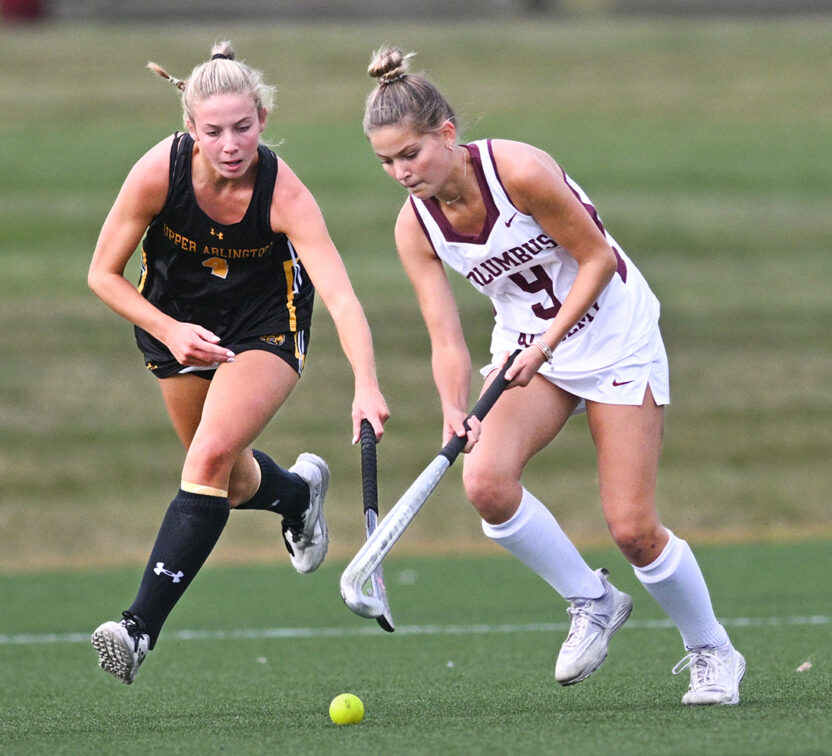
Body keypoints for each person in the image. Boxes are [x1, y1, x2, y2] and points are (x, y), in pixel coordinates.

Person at [361, 46, 745, 705]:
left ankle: (712, 649)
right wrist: (454, 405)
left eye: (410, 155)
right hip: (526, 348)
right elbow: (444, 332)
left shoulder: (522, 172)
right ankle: (591, 600)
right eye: (388, 161)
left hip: (614, 339)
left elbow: (596, 260)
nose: (401, 172)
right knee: (485, 482)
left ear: (446, 134)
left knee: (631, 526)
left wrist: (546, 346)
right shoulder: (415, 225)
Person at [87, 41, 388, 685]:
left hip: (264, 326)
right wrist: (171, 331)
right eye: (215, 131)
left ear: (263, 119)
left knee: (206, 458)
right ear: (190, 127)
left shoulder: (285, 194)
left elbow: (340, 294)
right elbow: (102, 276)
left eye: (243, 127)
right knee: (227, 479)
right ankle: (299, 496)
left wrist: (365, 383)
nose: (231, 144)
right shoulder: (158, 172)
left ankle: (137, 630)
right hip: (173, 326)